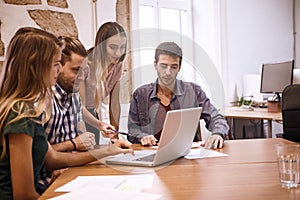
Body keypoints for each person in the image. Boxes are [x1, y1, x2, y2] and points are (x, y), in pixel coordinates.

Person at [0, 27, 133, 200]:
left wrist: (109, 150)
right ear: (36, 67)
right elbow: (24, 195)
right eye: (56, 64)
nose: (60, 70)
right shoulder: (20, 114)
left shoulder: (28, 109)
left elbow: (52, 158)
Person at [38, 36, 118, 193]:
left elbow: (80, 109)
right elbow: (41, 156)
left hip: (71, 174)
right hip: (47, 183)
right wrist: (74, 144)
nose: (81, 76)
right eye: (75, 70)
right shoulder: (42, 102)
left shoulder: (72, 93)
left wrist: (99, 124)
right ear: (58, 67)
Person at [127, 42, 229, 149]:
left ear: (179, 68)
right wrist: (143, 137)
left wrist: (218, 133)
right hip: (151, 154)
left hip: (187, 155)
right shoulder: (140, 94)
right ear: (155, 65)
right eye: (163, 66)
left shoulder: (193, 91)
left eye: (174, 67)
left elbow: (216, 118)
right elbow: (132, 129)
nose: (168, 72)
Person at [79, 21, 127, 144]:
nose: (118, 53)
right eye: (113, 47)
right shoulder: (86, 64)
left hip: (94, 114)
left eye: (122, 47)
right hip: (79, 114)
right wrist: (99, 124)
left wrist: (115, 136)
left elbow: (115, 103)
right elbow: (80, 106)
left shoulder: (118, 65)